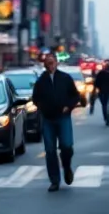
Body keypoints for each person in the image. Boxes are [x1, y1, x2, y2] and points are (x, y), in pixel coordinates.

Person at [31, 49, 81, 192]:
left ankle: (67, 166)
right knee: (50, 150)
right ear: (45, 65)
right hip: (48, 119)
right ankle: (54, 180)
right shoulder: (41, 81)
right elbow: (35, 99)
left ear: (56, 63)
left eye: (52, 62)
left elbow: (75, 96)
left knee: (66, 146)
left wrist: (68, 106)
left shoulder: (65, 78)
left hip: (63, 117)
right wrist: (42, 108)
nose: (50, 65)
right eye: (48, 63)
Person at [94, 61, 109, 126]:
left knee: (105, 105)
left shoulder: (101, 73)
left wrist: (98, 88)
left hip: (103, 92)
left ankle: (106, 118)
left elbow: (96, 83)